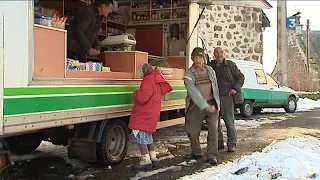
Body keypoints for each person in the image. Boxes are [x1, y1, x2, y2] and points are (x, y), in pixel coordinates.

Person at [128, 63, 173, 170]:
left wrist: (135, 93)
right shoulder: (155, 78)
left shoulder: (148, 79)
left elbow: (143, 97)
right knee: (148, 137)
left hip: (144, 113)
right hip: (152, 113)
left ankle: (145, 160)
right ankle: (153, 157)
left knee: (140, 136)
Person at [183, 47, 220, 165]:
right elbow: (193, 92)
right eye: (196, 58)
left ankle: (212, 156)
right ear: (192, 58)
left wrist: (217, 103)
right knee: (191, 131)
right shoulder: (188, 74)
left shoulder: (210, 70)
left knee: (214, 130)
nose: (198, 60)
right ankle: (197, 152)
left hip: (211, 103)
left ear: (204, 58)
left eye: (200, 57)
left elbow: (215, 87)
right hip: (196, 105)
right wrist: (204, 106)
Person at [208, 46, 245, 152]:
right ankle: (218, 144)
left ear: (224, 54)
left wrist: (235, 89)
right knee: (215, 123)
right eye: (216, 52)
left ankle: (231, 143)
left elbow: (241, 77)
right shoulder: (210, 66)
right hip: (213, 98)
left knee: (229, 122)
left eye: (221, 52)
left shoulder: (230, 65)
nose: (219, 54)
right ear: (214, 54)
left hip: (227, 98)